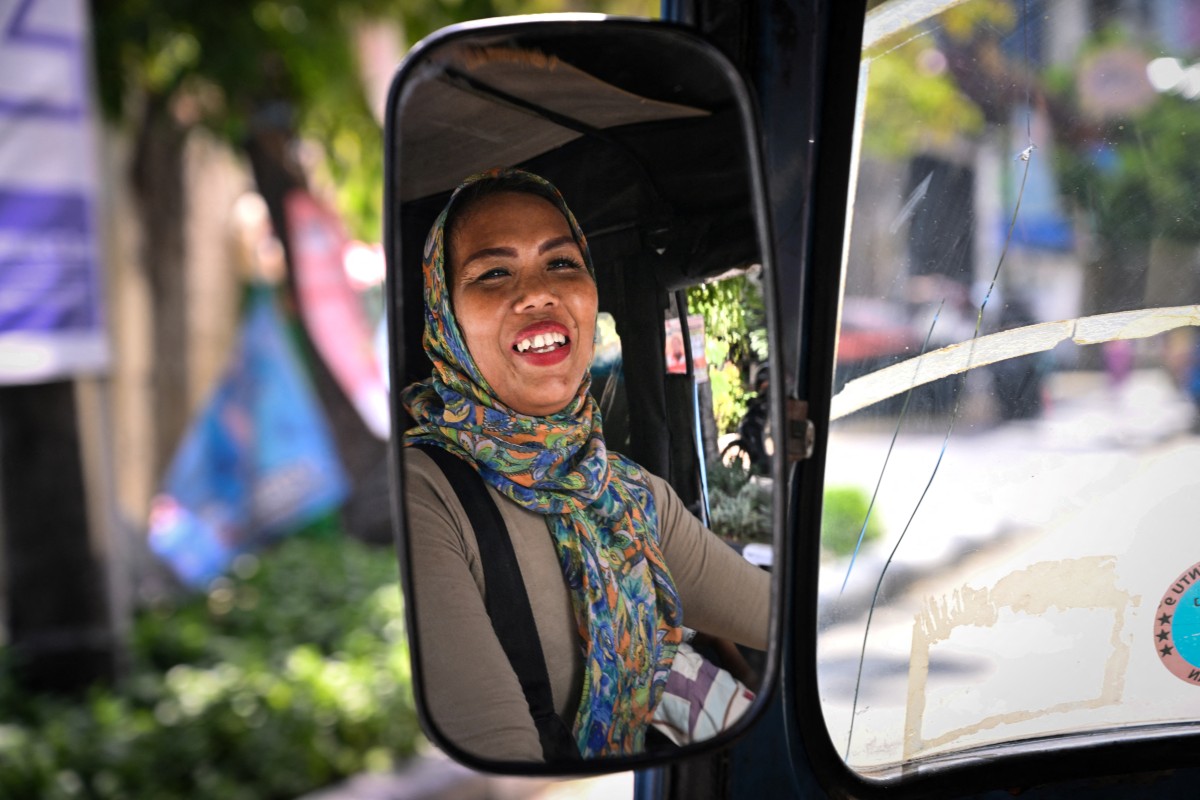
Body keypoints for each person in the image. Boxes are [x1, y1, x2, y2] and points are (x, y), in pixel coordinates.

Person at [400, 168, 770, 762]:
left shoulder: (626, 493)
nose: (537, 292)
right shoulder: (422, 494)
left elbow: (784, 618)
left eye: (562, 263)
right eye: (494, 273)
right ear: (445, 318)